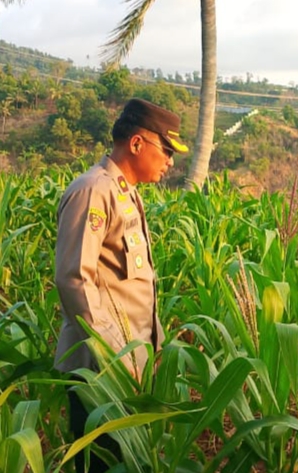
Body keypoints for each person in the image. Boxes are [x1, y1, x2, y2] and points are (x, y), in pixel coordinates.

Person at [54, 98, 188, 472]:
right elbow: (74, 278)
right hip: (100, 369)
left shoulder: (125, 192)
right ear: (136, 144)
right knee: (103, 463)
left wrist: (152, 347)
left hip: (129, 363)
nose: (170, 162)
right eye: (166, 150)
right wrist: (115, 357)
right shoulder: (93, 191)